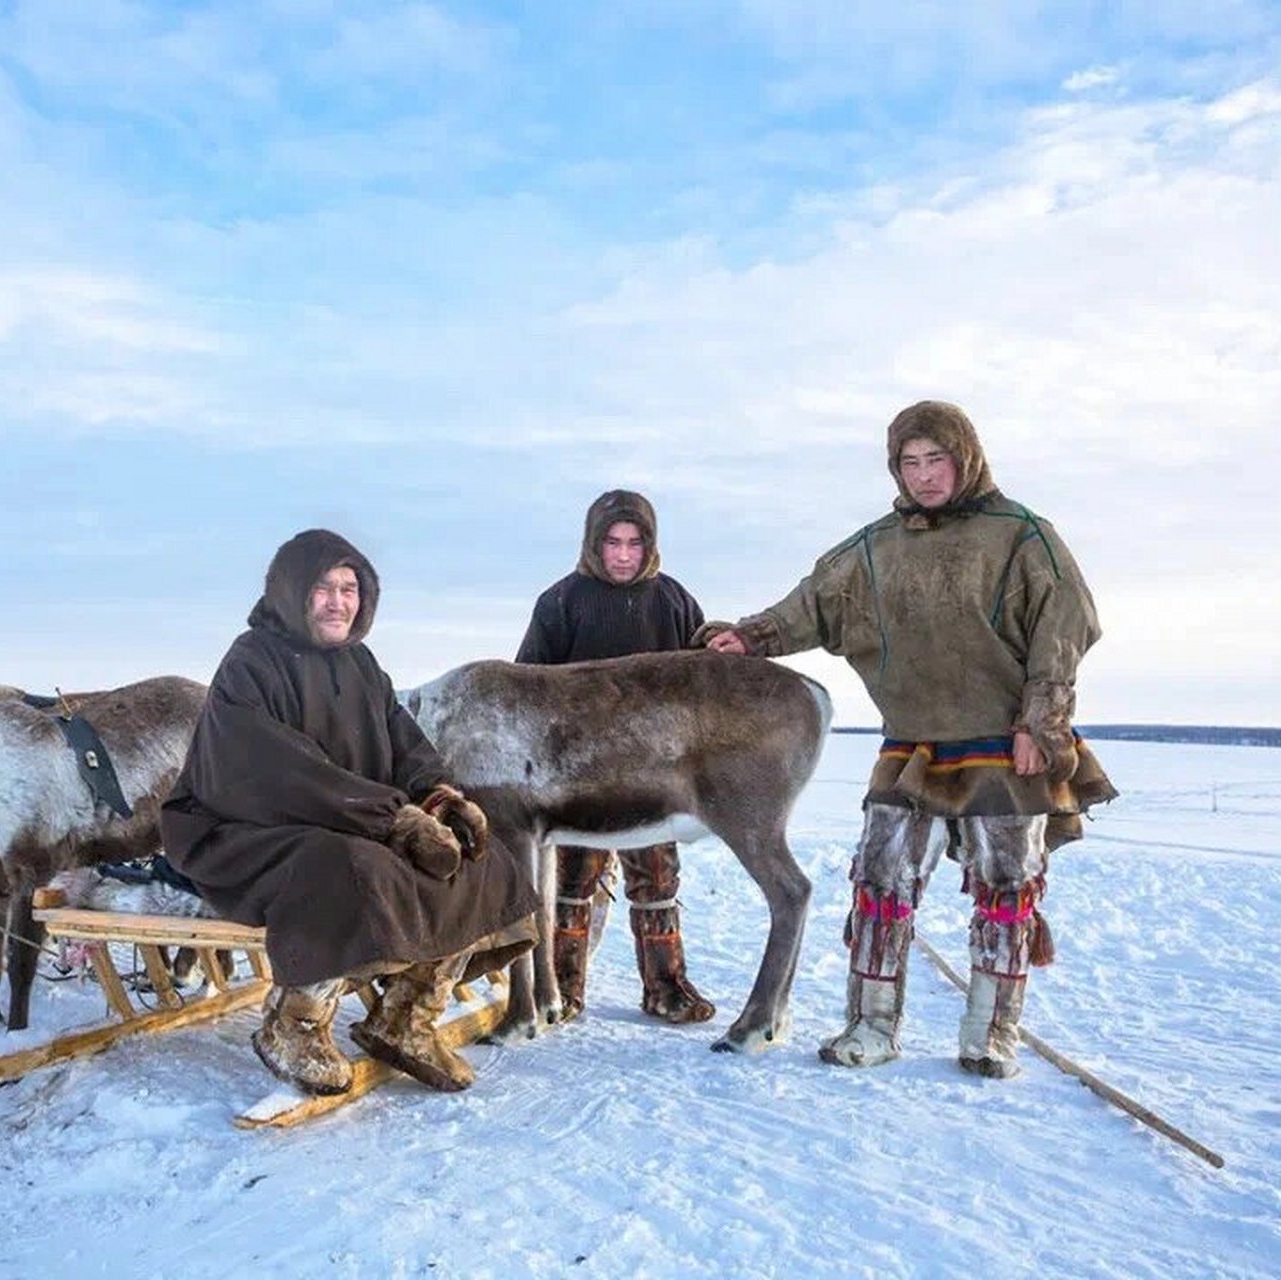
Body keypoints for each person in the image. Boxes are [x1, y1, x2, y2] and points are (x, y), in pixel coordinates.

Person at [701, 402, 1116, 1078]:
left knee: (1005, 887)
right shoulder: (875, 548)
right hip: (913, 744)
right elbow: (811, 603)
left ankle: (991, 1034)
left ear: (967, 457)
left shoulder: (1021, 536)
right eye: (910, 463)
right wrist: (751, 637)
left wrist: (1040, 724)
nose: (924, 476)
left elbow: (1065, 626)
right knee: (880, 880)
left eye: (937, 460)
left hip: (1003, 741)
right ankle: (870, 1026)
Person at [162, 529, 538, 1096]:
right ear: (292, 591)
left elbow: (405, 745)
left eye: (350, 588)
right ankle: (293, 1025)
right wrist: (395, 820)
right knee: (351, 867)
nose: (339, 601)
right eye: (323, 587)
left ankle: (406, 1018)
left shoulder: (361, 664)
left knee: (480, 857)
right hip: (242, 831)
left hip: (348, 817)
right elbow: (276, 770)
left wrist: (440, 799)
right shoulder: (251, 661)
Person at [516, 489, 714, 1025]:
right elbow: (528, 685)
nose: (624, 555)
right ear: (593, 543)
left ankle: (666, 987)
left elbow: (703, 682)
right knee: (572, 885)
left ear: (649, 544)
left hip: (655, 776)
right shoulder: (561, 602)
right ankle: (561, 989)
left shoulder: (674, 601)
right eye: (612, 543)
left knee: (657, 882)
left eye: (634, 543)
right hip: (579, 778)